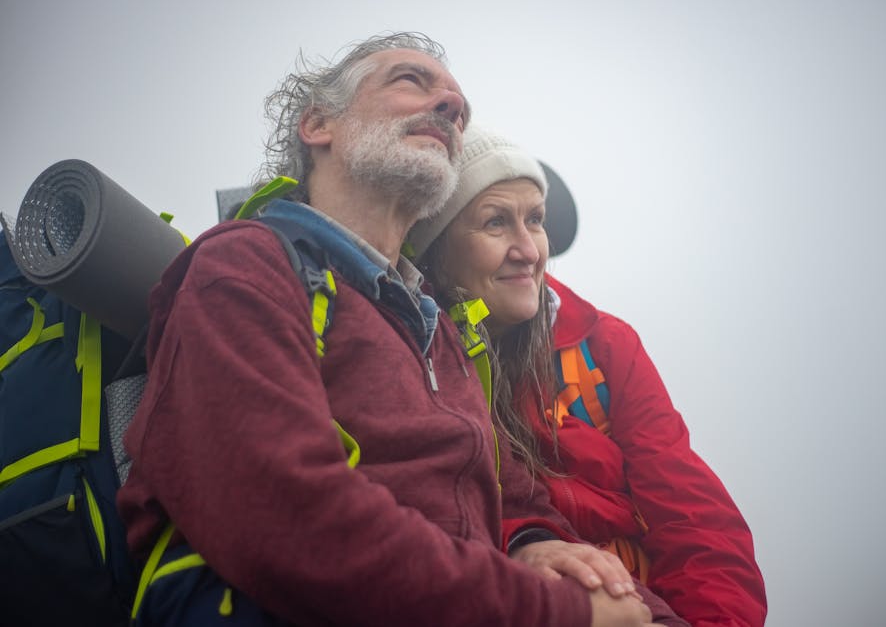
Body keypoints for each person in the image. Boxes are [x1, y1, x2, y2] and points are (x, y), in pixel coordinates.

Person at [117, 32, 665, 627]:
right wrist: (559, 612)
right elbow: (284, 514)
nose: (453, 107)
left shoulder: (438, 330)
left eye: (460, 104)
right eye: (411, 80)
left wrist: (533, 541)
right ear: (318, 124)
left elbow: (515, 497)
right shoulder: (247, 265)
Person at [409, 125, 768, 626]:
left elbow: (694, 516)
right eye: (495, 223)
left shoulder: (604, 344)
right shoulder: (408, 356)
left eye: (534, 220)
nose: (529, 250)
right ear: (436, 248)